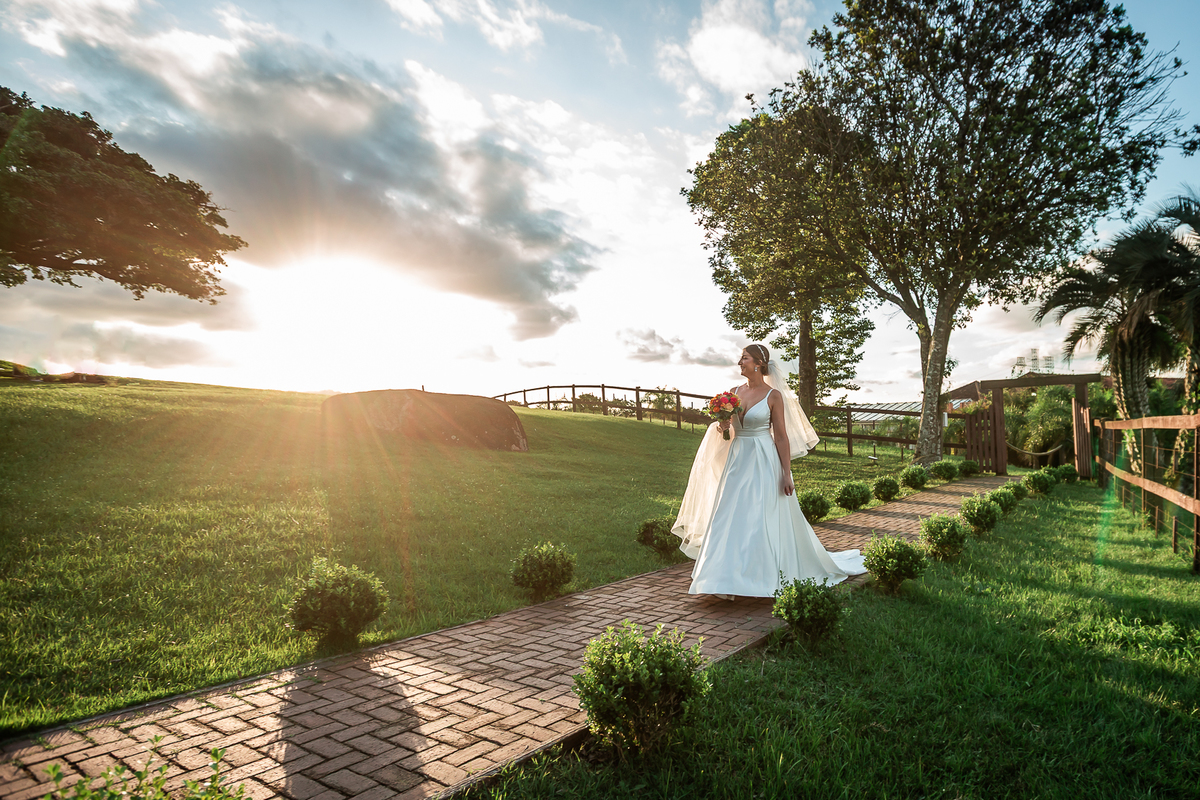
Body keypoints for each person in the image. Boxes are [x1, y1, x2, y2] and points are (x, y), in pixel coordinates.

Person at [672, 343, 866, 598]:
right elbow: (727, 432)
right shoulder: (732, 393)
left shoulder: (773, 396)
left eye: (744, 358)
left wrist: (786, 473)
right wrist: (723, 425)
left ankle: (760, 574)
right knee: (729, 512)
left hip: (763, 458)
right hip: (737, 458)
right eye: (741, 358)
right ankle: (723, 577)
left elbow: (782, 437)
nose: (740, 362)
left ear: (758, 364)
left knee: (760, 515)